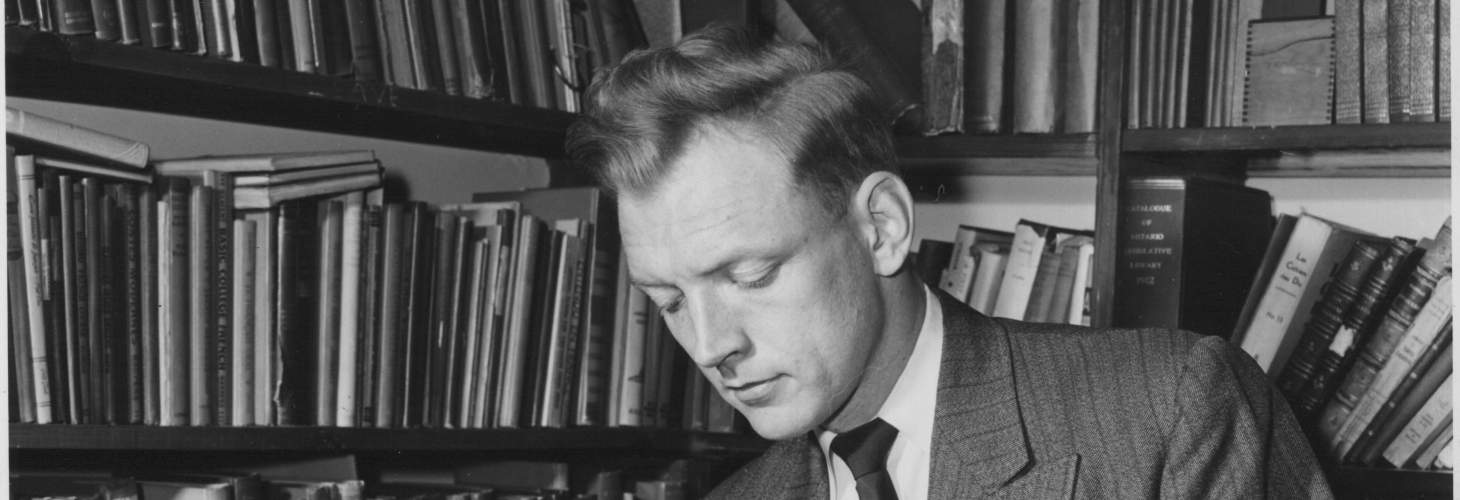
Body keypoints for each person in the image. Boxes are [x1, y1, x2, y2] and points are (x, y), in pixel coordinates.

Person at [566, 25, 1332, 500]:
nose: (710, 345)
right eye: (668, 299)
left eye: (750, 274)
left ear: (882, 227)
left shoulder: (1172, 410)